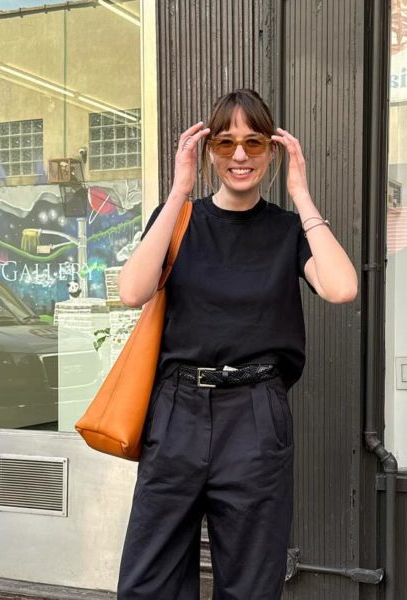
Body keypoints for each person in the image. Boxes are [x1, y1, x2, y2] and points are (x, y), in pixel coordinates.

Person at [115, 89, 358, 599]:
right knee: (148, 581)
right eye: (225, 143)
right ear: (209, 152)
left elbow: (341, 288)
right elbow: (132, 291)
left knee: (251, 583)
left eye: (254, 143)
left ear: (272, 151)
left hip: (255, 415)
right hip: (177, 411)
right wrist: (179, 191)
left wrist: (302, 195)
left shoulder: (287, 230)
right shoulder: (179, 219)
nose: (240, 155)